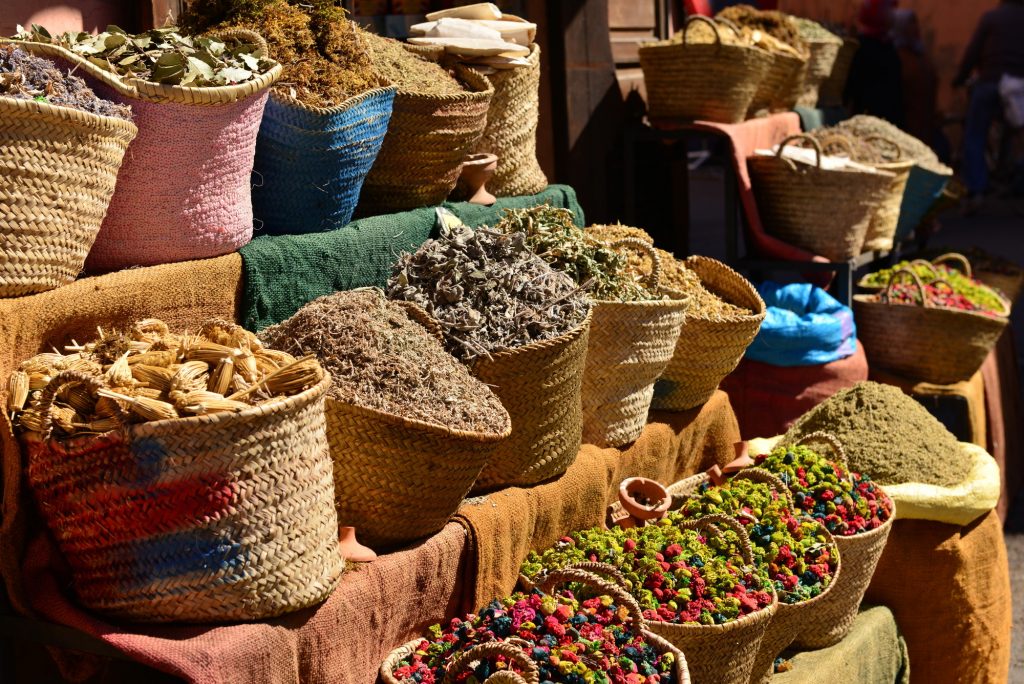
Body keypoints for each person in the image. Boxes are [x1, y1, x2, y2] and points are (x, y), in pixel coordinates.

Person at [953, 0, 1024, 203]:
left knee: (975, 133)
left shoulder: (991, 18)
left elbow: (972, 53)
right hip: (1019, 87)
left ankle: (977, 188)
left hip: (990, 82)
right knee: (1017, 131)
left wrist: (959, 78)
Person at [892, 9, 946, 160]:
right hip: (908, 131)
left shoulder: (918, 57)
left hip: (921, 130)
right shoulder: (896, 58)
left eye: (915, 26)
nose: (914, 30)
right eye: (910, 26)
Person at [845, 0, 905, 127]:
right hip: (866, 120)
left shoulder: (888, 44)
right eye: (889, 10)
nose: (893, 15)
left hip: (890, 121)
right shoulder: (861, 46)